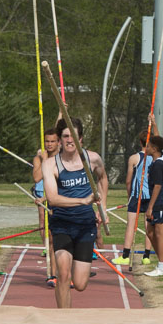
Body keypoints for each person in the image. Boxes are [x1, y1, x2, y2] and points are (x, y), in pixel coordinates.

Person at [41, 117, 109, 308]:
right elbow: (53, 198)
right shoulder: (50, 165)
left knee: (80, 284)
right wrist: (83, 200)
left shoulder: (92, 159)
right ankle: (64, 322)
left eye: (74, 136)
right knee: (63, 273)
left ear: (81, 139)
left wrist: (102, 207)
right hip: (62, 223)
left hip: (85, 225)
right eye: (65, 136)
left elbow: (103, 179)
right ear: (60, 139)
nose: (70, 140)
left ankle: (75, 262)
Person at [114, 128, 154, 270]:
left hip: (137, 196)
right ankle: (146, 257)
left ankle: (125, 256)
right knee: (148, 226)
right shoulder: (156, 157)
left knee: (131, 225)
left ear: (140, 142)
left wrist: (129, 194)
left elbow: (128, 180)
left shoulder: (134, 158)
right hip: (150, 197)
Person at [141, 135, 163, 277]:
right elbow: (159, 139)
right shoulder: (157, 160)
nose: (145, 148)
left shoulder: (160, 164)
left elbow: (158, 186)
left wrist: (150, 207)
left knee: (159, 233)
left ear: (154, 149)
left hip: (161, 202)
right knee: (149, 232)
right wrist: (154, 123)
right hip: (154, 202)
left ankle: (161, 267)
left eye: (148, 146)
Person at [32, 128, 60, 286]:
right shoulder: (40, 158)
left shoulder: (63, 157)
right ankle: (53, 274)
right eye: (47, 141)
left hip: (60, 200)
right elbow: (37, 177)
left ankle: (70, 271)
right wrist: (44, 160)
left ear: (58, 142)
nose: (49, 144)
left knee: (63, 238)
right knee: (51, 239)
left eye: (52, 141)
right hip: (45, 197)